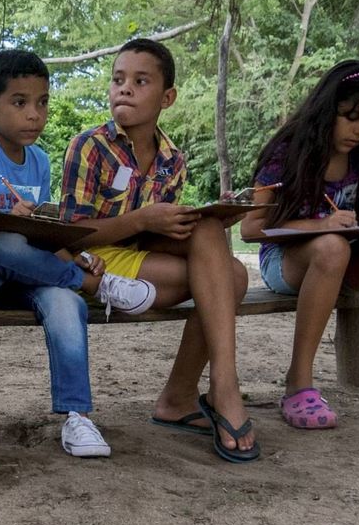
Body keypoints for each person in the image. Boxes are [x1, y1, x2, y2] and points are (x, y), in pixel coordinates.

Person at [59, 39, 259, 463]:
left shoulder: (173, 160)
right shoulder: (89, 147)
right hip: (93, 263)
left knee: (225, 259)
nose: (124, 89)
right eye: (117, 80)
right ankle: (207, 390)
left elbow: (153, 235)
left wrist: (203, 221)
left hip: (139, 258)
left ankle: (201, 389)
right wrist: (144, 219)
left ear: (167, 97)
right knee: (225, 281)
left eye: (139, 81)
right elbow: (70, 237)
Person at [0, 49, 157, 458]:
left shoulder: (38, 160)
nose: (34, 114)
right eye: (19, 103)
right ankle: (97, 286)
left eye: (42, 102)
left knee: (66, 301)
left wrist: (76, 256)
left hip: (26, 274)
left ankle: (78, 418)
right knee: (7, 241)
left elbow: (43, 236)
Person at [240, 60, 359, 429]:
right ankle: (298, 384)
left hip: (342, 259)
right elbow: (251, 228)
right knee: (331, 245)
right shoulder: (286, 151)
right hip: (286, 261)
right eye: (351, 116)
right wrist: (319, 226)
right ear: (327, 108)